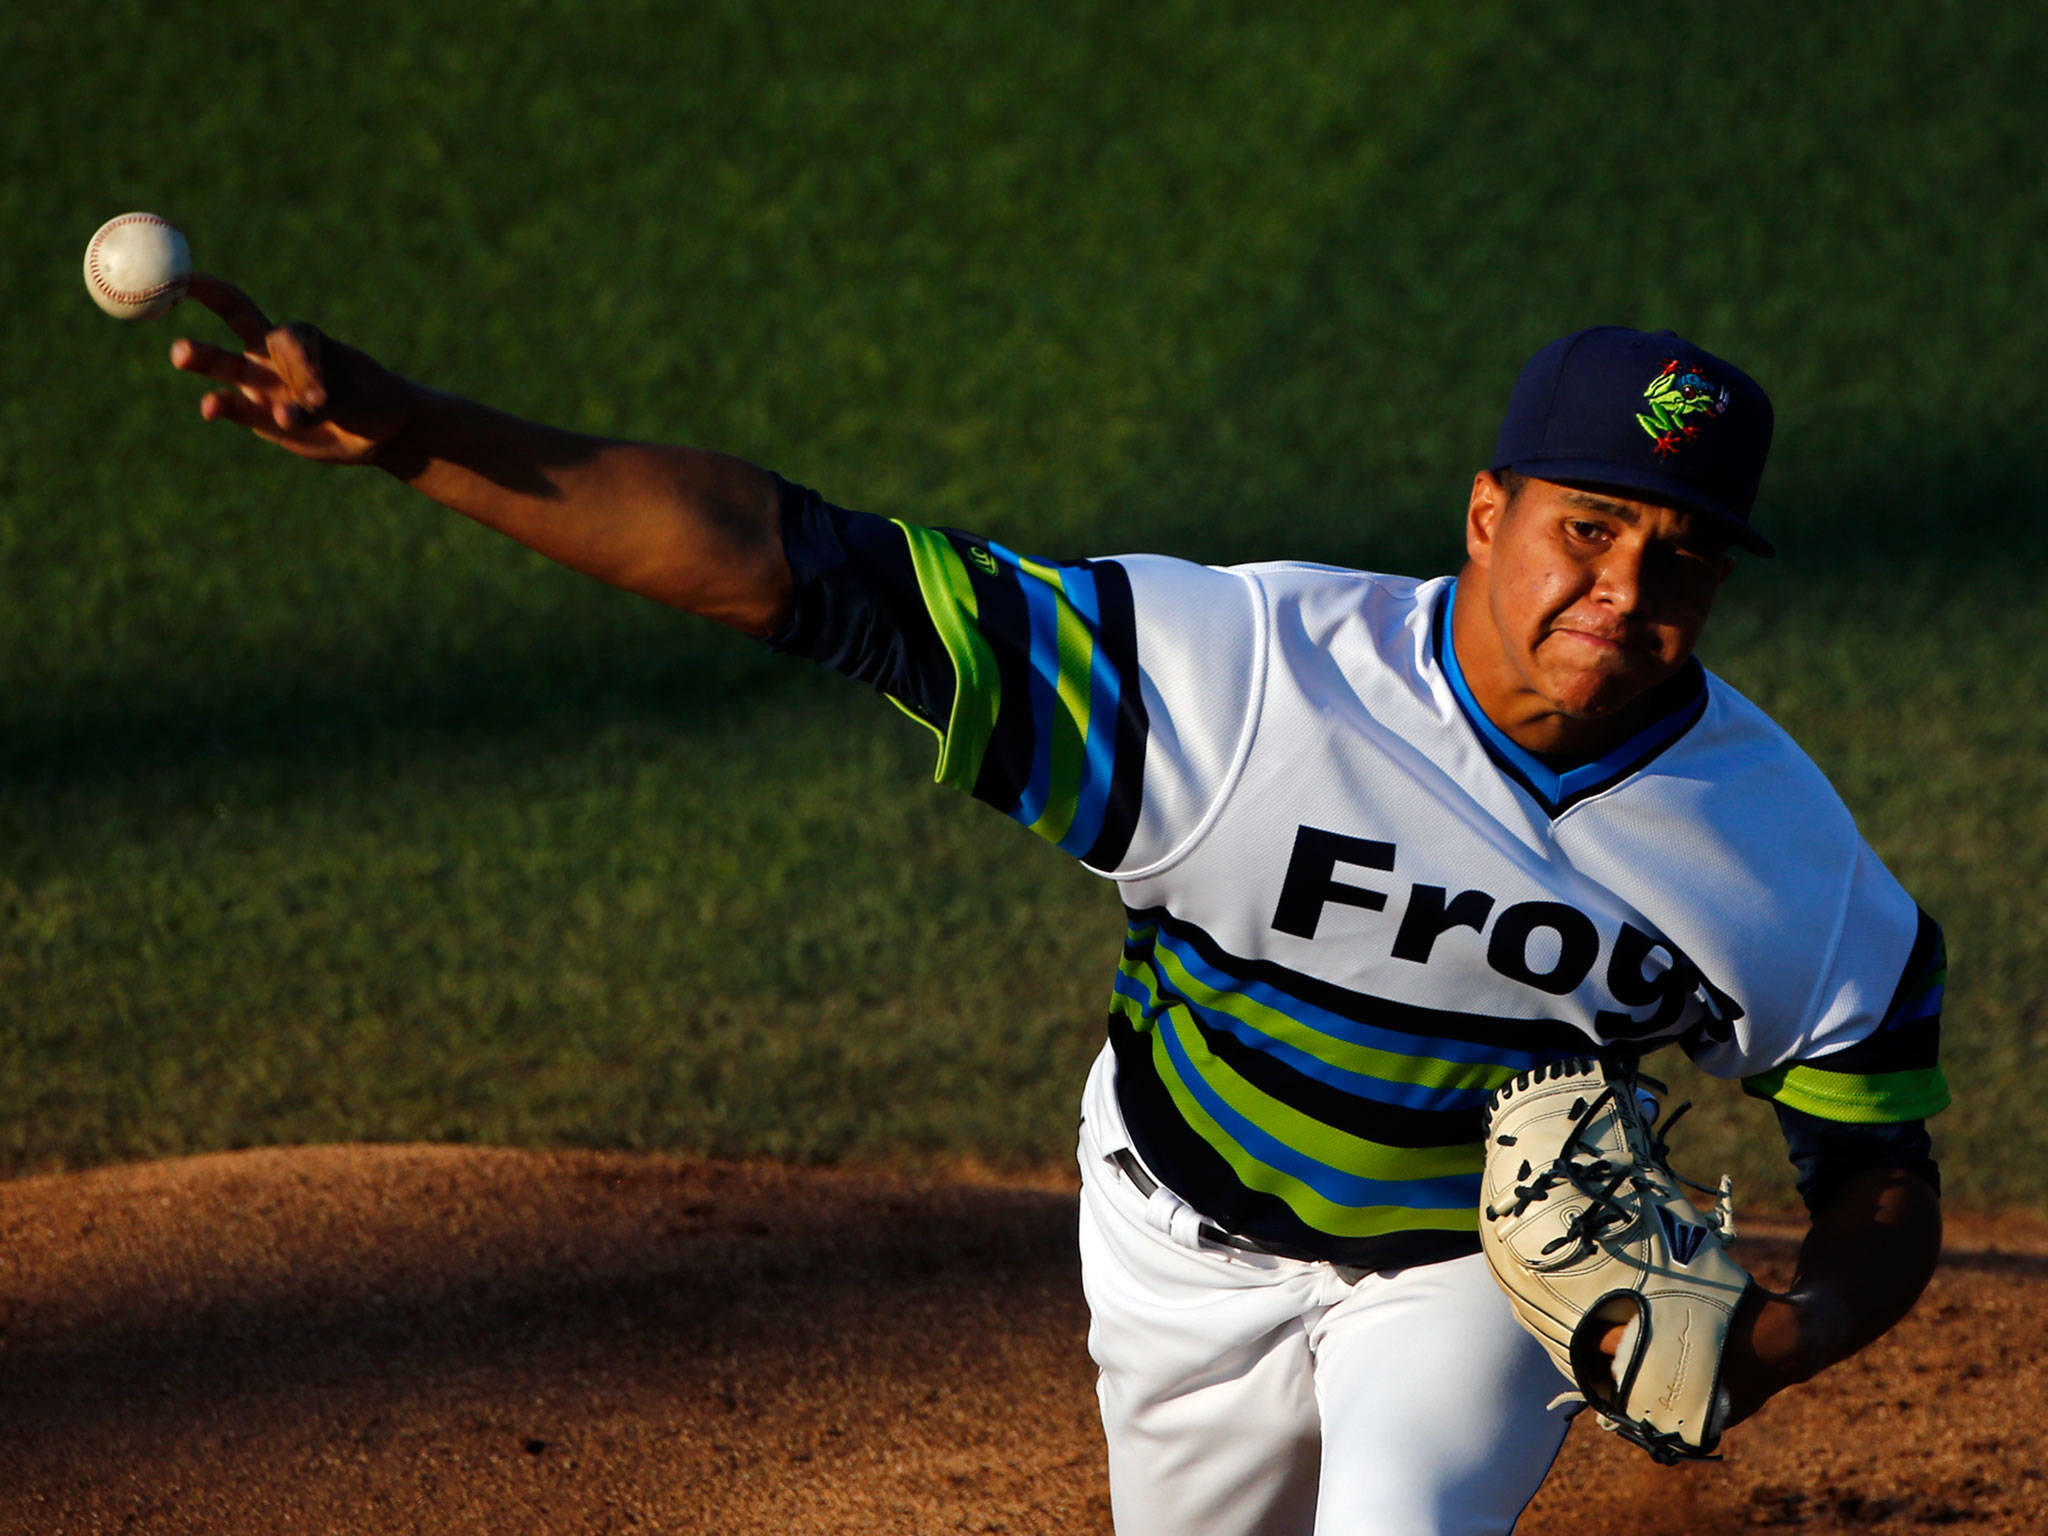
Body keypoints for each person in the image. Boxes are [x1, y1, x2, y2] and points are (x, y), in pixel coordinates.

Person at [167, 280, 1947, 1535]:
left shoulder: (1778, 854)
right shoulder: (1232, 680)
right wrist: (413, 434)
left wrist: (1787, 1343)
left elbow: (1879, 1164)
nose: (1628, 589)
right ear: (1485, 516)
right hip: (1177, 1233)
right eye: (1587, 525)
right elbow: (789, 564)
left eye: (1683, 553)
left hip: (1469, 1275)